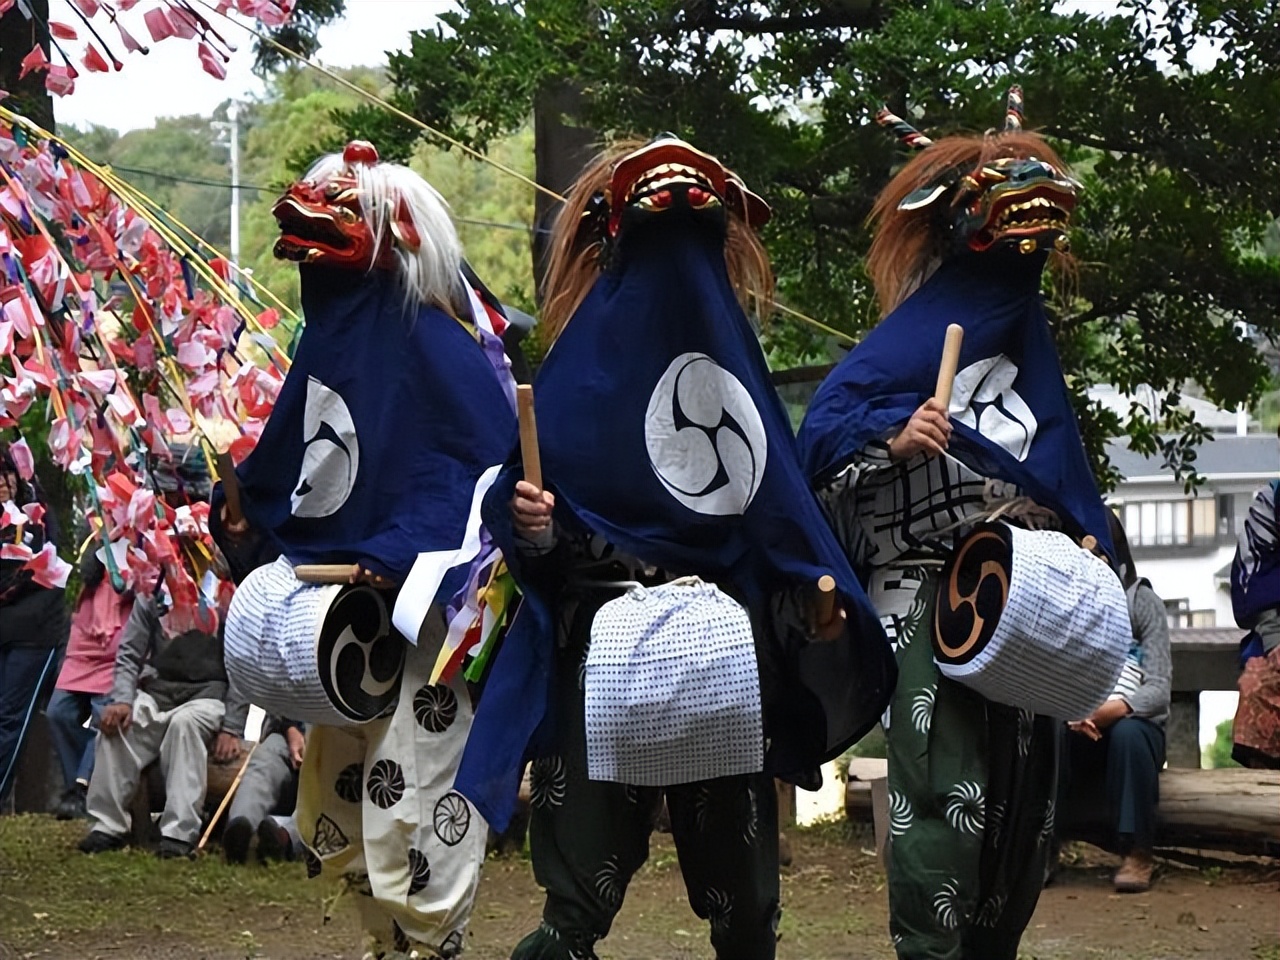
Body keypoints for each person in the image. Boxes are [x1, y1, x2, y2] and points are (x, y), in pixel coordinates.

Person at [455, 137, 894, 960]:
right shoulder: (577, 373)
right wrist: (536, 527)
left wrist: (811, 603)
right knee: (575, 903)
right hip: (600, 644)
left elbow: (779, 520)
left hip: (726, 652)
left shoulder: (734, 367)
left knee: (747, 909)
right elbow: (530, 522)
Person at [798, 90, 1122, 960]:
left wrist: (1082, 540)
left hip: (1027, 600)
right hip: (926, 600)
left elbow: (1065, 479)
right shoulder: (894, 354)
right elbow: (822, 444)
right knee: (947, 799)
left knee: (1023, 810)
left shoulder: (1031, 356)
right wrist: (896, 439)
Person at [212, 141, 519, 960]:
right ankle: (385, 945)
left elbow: (480, 474)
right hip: (344, 619)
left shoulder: (436, 341)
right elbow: (296, 468)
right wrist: (245, 519)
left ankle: (431, 945)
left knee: (412, 793)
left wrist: (403, 548)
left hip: (431, 620)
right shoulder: (329, 342)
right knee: (340, 795)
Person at [79, 452, 242, 859]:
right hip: (159, 690)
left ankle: (179, 833)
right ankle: (107, 824)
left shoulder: (226, 594)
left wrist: (233, 726)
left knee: (185, 727)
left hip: (207, 697)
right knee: (117, 726)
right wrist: (121, 698)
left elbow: (243, 667)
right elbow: (130, 652)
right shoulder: (156, 589)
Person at [1058, 514, 1170, 892]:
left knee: (1129, 734)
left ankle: (1138, 852)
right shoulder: (1065, 607)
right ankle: (1042, 847)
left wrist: (1113, 710)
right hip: (1078, 723)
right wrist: (1073, 714)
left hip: (1132, 726)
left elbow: (1158, 688)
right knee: (1045, 733)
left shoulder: (1142, 602)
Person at [0, 446, 70, 807]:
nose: (2, 482)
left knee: (10, 718)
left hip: (33, 636)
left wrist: (14, 585)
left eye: (7, 473)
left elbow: (47, 575)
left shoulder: (38, 517)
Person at [44, 552, 135, 819]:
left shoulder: (144, 546)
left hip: (116, 656)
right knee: (57, 713)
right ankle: (80, 781)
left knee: (102, 718)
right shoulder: (94, 548)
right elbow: (82, 579)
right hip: (82, 651)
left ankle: (80, 791)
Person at [1230, 472, 1280, 768]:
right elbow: (1252, 576)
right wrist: (1275, 640)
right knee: (1257, 685)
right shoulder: (1272, 500)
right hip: (1276, 630)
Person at [221, 715, 306, 864]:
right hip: (289, 731)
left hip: (338, 742)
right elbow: (279, 704)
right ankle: (240, 827)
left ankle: (284, 837)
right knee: (265, 759)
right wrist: (291, 729)